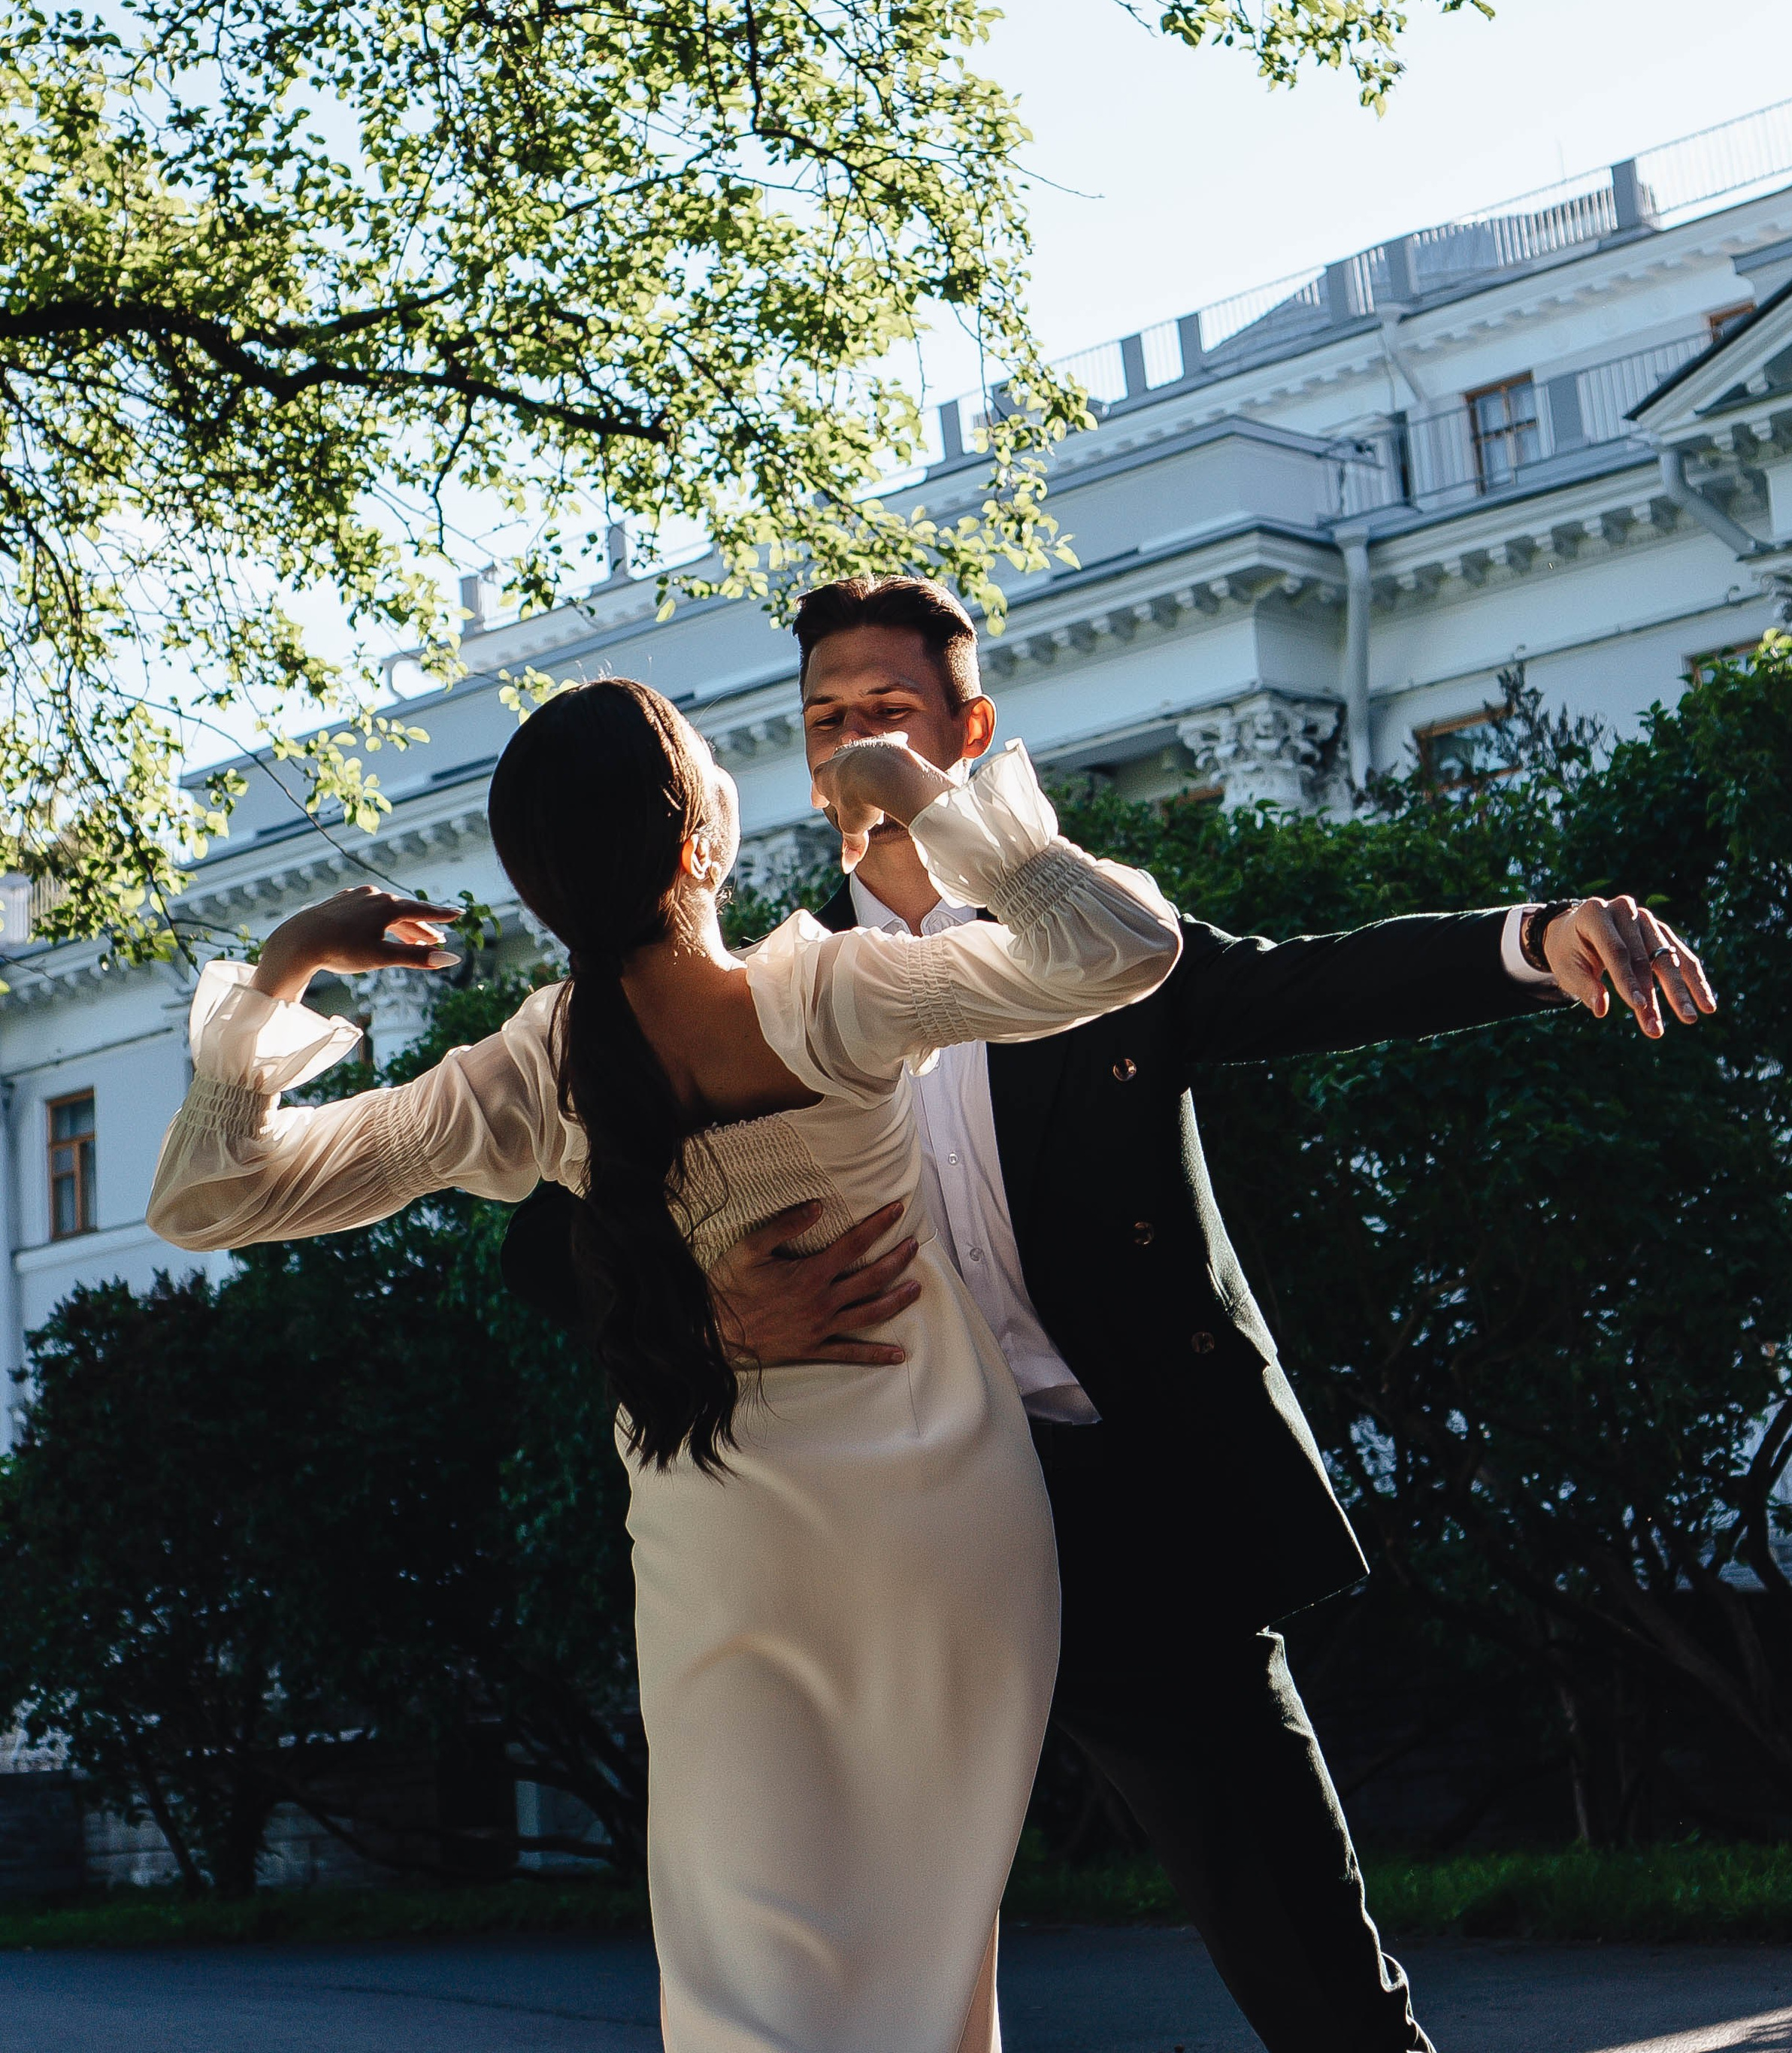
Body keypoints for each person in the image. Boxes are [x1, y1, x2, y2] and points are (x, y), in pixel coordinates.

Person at [504, 578, 1717, 2053]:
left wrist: (1537, 937)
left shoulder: (1070, 934)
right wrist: (705, 1304)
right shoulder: (754, 995)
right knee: (860, 1974)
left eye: (886, 714)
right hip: (872, 1535)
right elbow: (554, 1242)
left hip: (1117, 1506)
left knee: (1309, 1968)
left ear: (970, 734)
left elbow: (1301, 985)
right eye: (824, 721)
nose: (849, 749)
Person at [147, 680, 1182, 2053]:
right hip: (943, 1527)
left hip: (720, 1536)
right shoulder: (831, 994)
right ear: (704, 841)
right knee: (926, 1968)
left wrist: (284, 964)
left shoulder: (530, 1075)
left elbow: (208, 1200)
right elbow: (1123, 951)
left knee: (753, 1986)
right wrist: (917, 789)